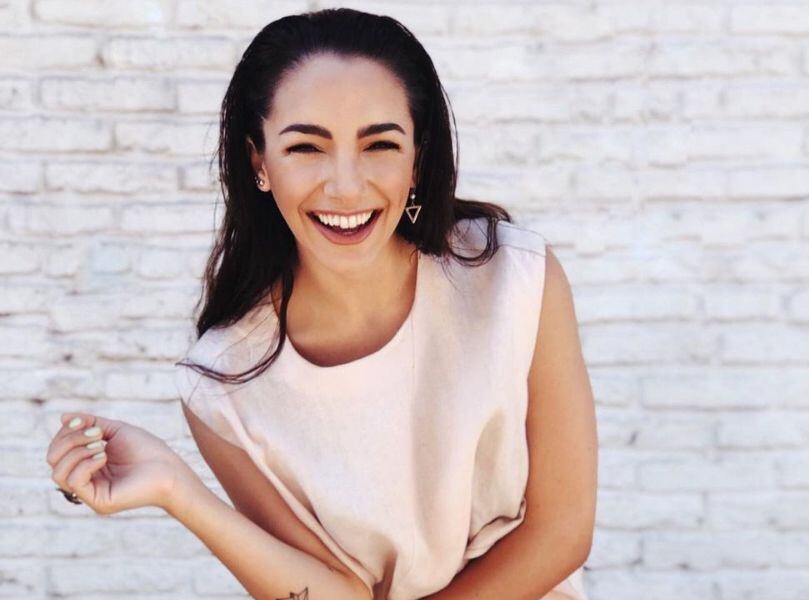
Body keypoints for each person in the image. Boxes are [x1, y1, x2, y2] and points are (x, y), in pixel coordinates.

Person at [44, 8, 597, 600]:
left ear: (417, 156)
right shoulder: (224, 383)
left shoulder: (515, 280)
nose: (346, 186)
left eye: (379, 144)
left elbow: (561, 532)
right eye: (307, 147)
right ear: (259, 162)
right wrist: (178, 490)